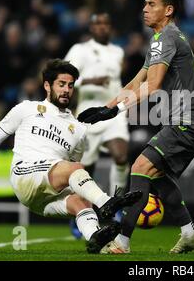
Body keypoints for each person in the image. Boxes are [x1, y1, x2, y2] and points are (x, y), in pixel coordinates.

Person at [78, 0, 194, 254]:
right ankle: (189, 233)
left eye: (152, 4)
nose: (145, 8)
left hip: (186, 121)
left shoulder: (166, 39)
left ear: (169, 10)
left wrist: (117, 112)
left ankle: (123, 242)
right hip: (189, 122)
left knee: (139, 167)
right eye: (145, 4)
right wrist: (106, 107)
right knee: (157, 176)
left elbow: (152, 86)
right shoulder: (162, 38)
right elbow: (138, 79)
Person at [0, 59, 142, 254]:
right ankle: (107, 202)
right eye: (61, 84)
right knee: (75, 170)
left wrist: (114, 110)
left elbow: (74, 169)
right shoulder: (27, 108)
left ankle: (98, 240)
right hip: (24, 175)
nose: (66, 90)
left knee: (81, 200)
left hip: (41, 201)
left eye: (70, 85)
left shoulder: (78, 129)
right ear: (47, 85)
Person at [65, 13, 130, 237]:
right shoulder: (79, 50)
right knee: (84, 170)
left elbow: (118, 83)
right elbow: (65, 77)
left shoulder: (118, 52)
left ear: (110, 27)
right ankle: (82, 213)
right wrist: (90, 80)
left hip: (112, 112)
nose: (102, 27)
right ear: (91, 28)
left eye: (106, 23)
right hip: (88, 114)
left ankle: (116, 207)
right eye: (97, 24)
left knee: (121, 156)